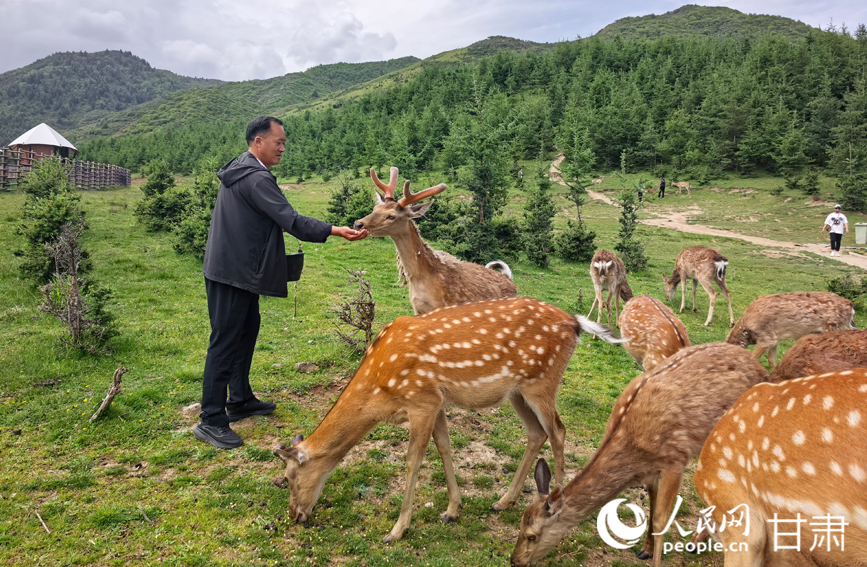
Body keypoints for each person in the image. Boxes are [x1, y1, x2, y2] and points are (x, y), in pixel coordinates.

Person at [193, 116, 368, 449]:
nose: (283, 148)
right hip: (233, 273)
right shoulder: (256, 178)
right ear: (259, 142)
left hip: (234, 268)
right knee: (226, 340)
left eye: (284, 142)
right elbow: (291, 221)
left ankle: (240, 399)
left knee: (246, 331)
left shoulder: (240, 168)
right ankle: (211, 418)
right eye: (279, 142)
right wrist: (335, 230)